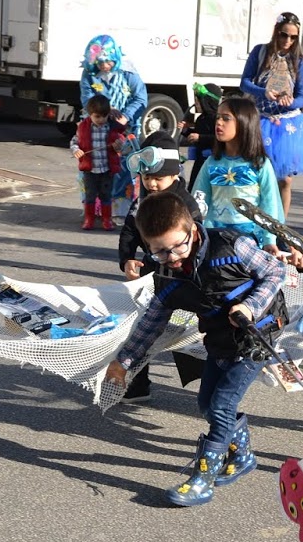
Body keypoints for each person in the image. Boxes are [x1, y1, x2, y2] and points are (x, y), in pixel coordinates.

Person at [103, 192, 289, 507]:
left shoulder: (231, 245)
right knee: (206, 405)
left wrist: (251, 306)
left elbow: (275, 272)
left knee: (221, 406)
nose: (172, 257)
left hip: (258, 334)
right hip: (218, 338)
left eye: (178, 246)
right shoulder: (165, 275)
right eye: (160, 251)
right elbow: (151, 323)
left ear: (192, 229)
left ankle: (203, 479)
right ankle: (242, 456)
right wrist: (123, 362)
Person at [115, 131, 204, 403]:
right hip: (151, 276)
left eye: (158, 178)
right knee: (141, 329)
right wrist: (127, 259)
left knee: (189, 333)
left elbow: (197, 243)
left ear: (175, 175)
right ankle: (138, 384)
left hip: (183, 279)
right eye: (146, 177)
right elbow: (129, 231)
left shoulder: (185, 205)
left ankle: (211, 387)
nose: (152, 184)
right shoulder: (142, 201)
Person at [240, 12, 303, 216]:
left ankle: (280, 225)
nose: (288, 40)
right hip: (261, 120)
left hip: (288, 124)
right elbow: (244, 82)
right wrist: (263, 92)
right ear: (276, 32)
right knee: (258, 175)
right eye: (284, 35)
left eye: (293, 37)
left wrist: (290, 102)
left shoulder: (300, 61)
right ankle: (257, 219)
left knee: (285, 180)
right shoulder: (260, 52)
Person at [198, 95, 283, 251]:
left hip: (251, 239)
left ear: (245, 122)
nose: (219, 122)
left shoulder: (260, 164)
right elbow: (199, 200)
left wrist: (269, 240)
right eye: (218, 117)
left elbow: (270, 204)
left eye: (226, 118)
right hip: (216, 238)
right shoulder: (211, 162)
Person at [71, 94, 125, 230]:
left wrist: (118, 146)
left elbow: (121, 144)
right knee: (90, 195)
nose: (101, 120)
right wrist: (76, 150)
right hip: (90, 170)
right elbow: (74, 142)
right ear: (90, 115)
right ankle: (89, 219)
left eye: (104, 116)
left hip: (107, 169)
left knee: (106, 195)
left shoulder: (112, 127)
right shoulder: (83, 127)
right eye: (97, 117)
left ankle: (107, 220)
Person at [79, 34, 148, 133]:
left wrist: (126, 116)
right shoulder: (89, 73)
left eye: (108, 61)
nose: (104, 66)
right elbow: (87, 97)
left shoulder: (128, 71)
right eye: (99, 62)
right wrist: (105, 109)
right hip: (97, 122)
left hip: (126, 124)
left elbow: (141, 98)